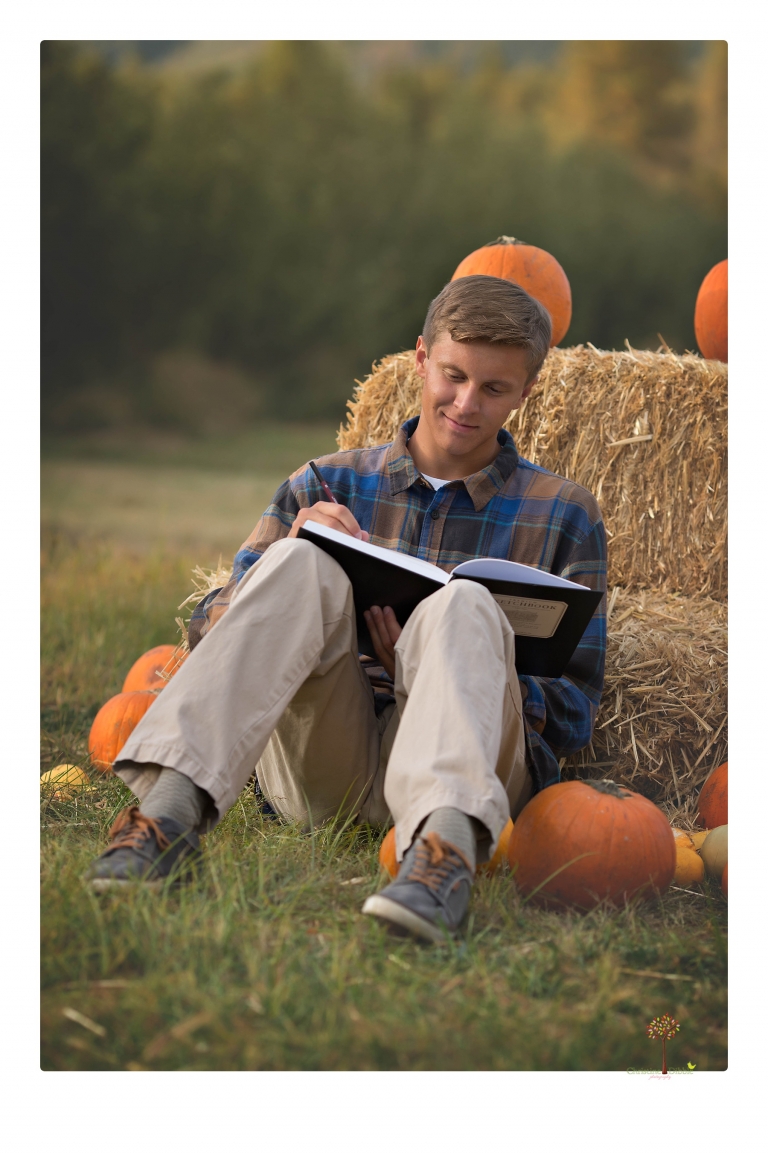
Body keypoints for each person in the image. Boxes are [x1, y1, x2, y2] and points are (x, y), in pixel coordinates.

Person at [86, 274, 607, 943]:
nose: (466, 403)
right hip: (326, 761)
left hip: (473, 773)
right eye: (452, 375)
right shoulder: (326, 481)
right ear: (421, 358)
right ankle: (165, 819)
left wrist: (439, 669)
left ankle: (441, 861)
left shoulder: (565, 513)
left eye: (495, 389)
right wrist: (294, 554)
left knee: (464, 606)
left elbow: (575, 709)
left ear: (527, 390)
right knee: (303, 560)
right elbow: (206, 638)